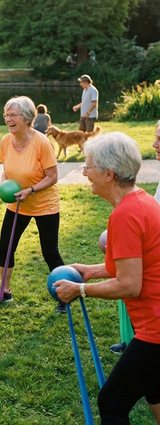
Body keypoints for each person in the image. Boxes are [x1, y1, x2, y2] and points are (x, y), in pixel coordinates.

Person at [54, 132, 160, 424]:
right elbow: (137, 266)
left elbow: (129, 284)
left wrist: (81, 289)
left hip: (155, 331)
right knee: (155, 391)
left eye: (87, 166)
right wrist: (91, 270)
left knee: (112, 402)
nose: (84, 172)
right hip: (154, 326)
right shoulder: (141, 201)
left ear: (109, 174)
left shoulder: (125, 215)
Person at [0, 96, 66, 313]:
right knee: (6, 248)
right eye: (6, 115)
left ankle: (63, 295)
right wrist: (2, 185)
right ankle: (5, 291)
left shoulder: (42, 143)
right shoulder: (6, 141)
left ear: (27, 117)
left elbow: (53, 176)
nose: (8, 119)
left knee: (50, 252)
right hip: (16, 204)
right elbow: (7, 170)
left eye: (13, 115)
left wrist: (30, 190)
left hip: (44, 204)